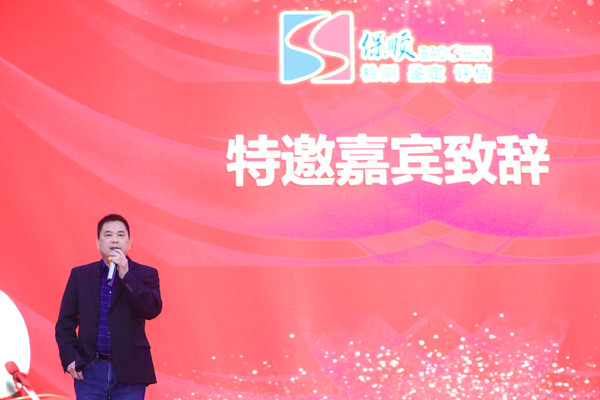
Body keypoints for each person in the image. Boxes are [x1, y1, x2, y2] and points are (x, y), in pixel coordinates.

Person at [55, 214, 162, 400]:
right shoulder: (81, 275)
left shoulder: (145, 274)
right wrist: (70, 358)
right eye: (108, 235)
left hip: (130, 372)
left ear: (129, 242)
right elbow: (65, 322)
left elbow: (151, 310)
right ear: (98, 242)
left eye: (120, 235)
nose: (114, 240)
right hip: (90, 369)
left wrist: (126, 275)